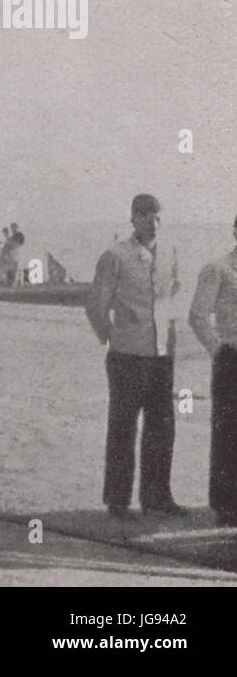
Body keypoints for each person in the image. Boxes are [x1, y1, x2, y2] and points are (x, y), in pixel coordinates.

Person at [86, 194, 183, 519]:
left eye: (156, 217)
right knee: (123, 427)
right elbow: (97, 305)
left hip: (160, 354)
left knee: (162, 426)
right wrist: (112, 338)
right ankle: (118, 501)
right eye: (144, 217)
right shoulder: (115, 256)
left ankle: (157, 496)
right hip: (127, 355)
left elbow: (172, 294)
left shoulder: (169, 252)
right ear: (132, 219)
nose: (151, 224)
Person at [188, 215, 237, 526]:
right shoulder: (218, 268)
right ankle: (225, 504)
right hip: (231, 358)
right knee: (227, 433)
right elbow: (197, 315)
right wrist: (218, 350)